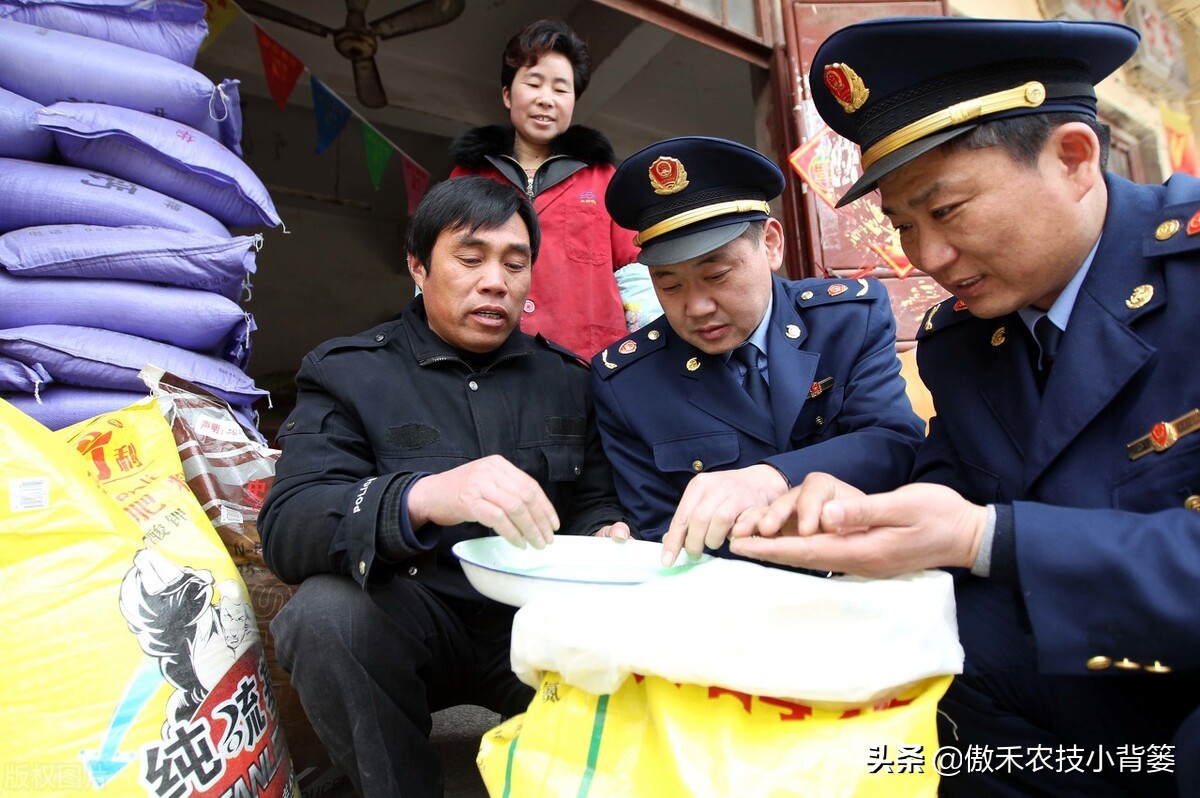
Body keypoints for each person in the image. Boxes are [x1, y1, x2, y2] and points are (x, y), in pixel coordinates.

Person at [730, 17, 1200, 797]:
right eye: (905, 227)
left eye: (946, 212)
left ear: (1075, 158)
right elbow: (950, 487)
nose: (927, 260)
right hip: (1095, 692)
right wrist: (857, 513)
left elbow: (985, 531)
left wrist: (989, 537)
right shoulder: (965, 340)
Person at [258, 176, 632, 797]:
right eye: (470, 258)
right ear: (417, 266)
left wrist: (603, 531)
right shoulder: (349, 372)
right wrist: (420, 496)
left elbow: (596, 498)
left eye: (516, 264)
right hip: (412, 615)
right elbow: (289, 525)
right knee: (323, 616)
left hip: (533, 626)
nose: (496, 281)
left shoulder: (567, 379)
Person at [591, 135, 924, 567]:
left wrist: (775, 478)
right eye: (669, 285)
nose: (696, 307)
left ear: (770, 244)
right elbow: (660, 535)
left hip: (862, 575)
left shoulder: (846, 320)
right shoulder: (628, 380)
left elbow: (895, 442)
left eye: (717, 275)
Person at [449, 18, 661, 359]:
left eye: (561, 89)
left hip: (588, 366)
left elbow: (635, 274)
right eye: (533, 84)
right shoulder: (469, 174)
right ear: (507, 94)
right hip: (487, 363)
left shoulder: (604, 177)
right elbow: (440, 265)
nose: (546, 99)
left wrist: (648, 351)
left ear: (574, 100)